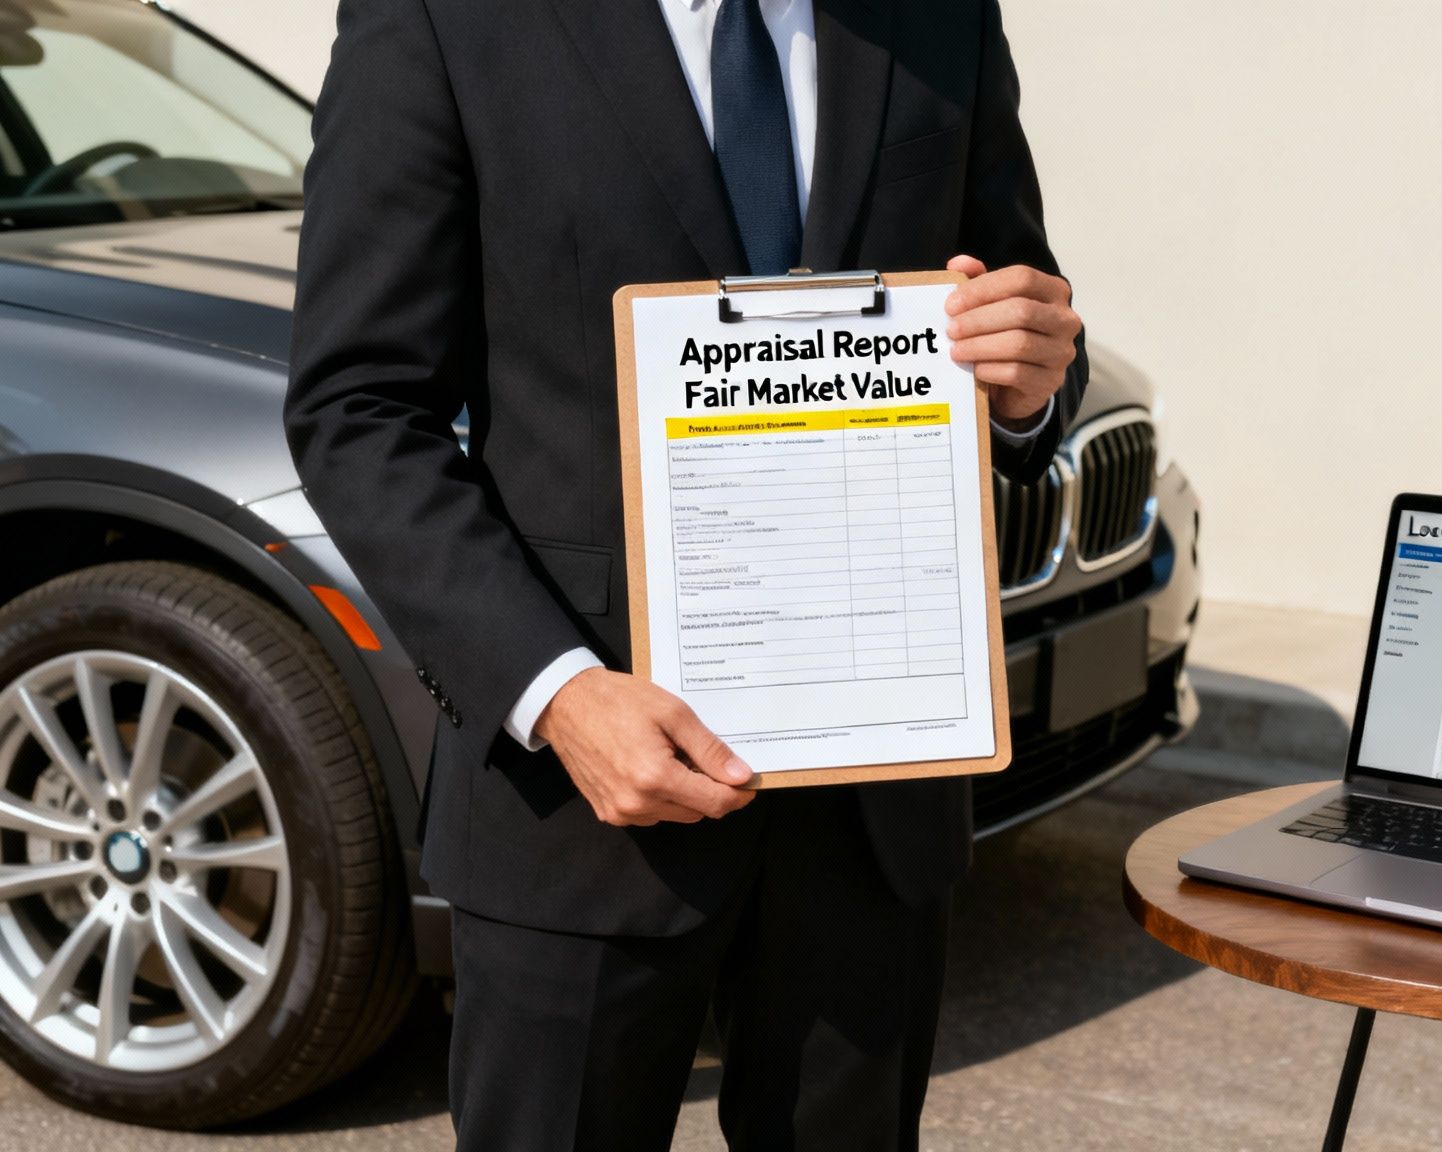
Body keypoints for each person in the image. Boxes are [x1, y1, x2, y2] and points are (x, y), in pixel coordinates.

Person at [282, 0, 1085, 1147]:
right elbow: (358, 411)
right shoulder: (445, 19)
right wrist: (554, 693)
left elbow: (1022, 312)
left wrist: (1031, 382)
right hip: (583, 789)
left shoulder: (936, 12)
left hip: (872, 794)